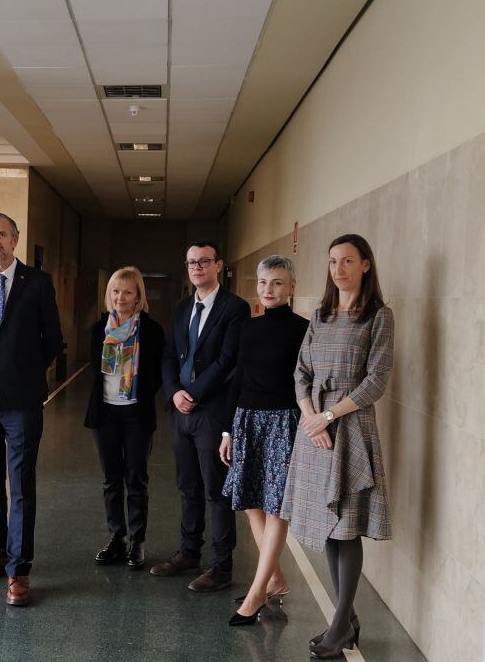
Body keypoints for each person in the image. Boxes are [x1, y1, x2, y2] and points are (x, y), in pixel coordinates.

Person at [280, 234, 394, 659]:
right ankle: (347, 621)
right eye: (332, 261)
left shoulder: (379, 317)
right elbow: (300, 372)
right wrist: (311, 416)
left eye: (348, 260)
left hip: (350, 429)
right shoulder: (320, 315)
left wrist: (328, 417)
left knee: (346, 525)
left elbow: (376, 380)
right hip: (316, 432)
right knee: (329, 528)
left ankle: (341, 622)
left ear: (366, 264)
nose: (339, 269)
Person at [0, 212, 63, 607]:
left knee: (20, 487)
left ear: (15, 239)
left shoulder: (37, 282)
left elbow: (52, 339)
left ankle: (19, 570)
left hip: (22, 401)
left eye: (2, 234)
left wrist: (26, 372)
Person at [152, 240, 249, 592]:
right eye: (192, 262)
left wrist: (193, 393)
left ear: (218, 265)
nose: (197, 267)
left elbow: (228, 361)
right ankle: (189, 553)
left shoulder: (234, 309)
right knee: (187, 486)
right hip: (182, 413)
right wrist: (175, 392)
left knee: (216, 491)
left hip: (211, 411)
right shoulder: (180, 310)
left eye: (204, 261)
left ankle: (222, 566)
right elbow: (167, 357)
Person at [217, 255, 309, 625]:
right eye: (263, 283)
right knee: (250, 500)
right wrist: (228, 431)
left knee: (275, 507)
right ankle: (277, 580)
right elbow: (236, 380)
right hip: (247, 420)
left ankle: (256, 593)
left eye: (277, 283)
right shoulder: (247, 328)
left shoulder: (304, 328)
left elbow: (308, 382)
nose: (268, 290)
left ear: (291, 288)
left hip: (284, 422)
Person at [85, 267, 164, 570]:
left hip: (135, 414)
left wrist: (136, 393)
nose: (121, 297)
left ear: (138, 296)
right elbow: (95, 375)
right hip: (106, 413)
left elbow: (157, 372)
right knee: (110, 480)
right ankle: (117, 538)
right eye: (116, 291)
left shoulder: (152, 331)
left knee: (136, 479)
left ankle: (138, 541)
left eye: (128, 291)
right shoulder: (98, 330)